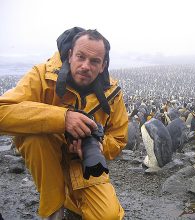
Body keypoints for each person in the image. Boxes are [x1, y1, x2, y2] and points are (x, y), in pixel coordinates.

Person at [0, 27, 128, 219]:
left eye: (94, 61)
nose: (86, 65)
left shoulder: (113, 94)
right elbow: (3, 112)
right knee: (36, 137)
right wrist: (63, 119)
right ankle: (54, 209)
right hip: (46, 156)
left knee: (108, 216)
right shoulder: (42, 76)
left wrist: (99, 146)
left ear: (103, 65)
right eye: (80, 57)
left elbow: (119, 139)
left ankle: (72, 197)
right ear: (70, 55)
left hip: (84, 162)